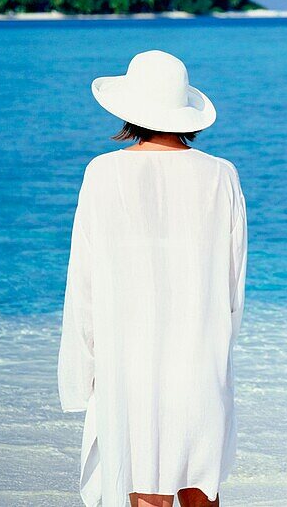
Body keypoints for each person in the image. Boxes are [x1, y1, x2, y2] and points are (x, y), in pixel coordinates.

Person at [58, 49, 248, 507]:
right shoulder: (221, 176)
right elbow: (232, 285)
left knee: (144, 489)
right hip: (199, 355)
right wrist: (220, 350)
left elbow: (83, 283)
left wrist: (80, 373)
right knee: (200, 486)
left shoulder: (102, 173)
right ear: (185, 111)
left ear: (129, 112)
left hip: (129, 359)